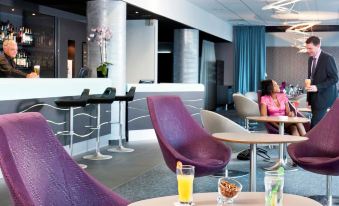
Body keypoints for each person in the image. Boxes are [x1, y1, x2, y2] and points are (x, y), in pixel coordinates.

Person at [305, 36, 338, 128]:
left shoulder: (328, 58)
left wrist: (318, 87)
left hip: (325, 98)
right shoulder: (310, 59)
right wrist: (308, 98)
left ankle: (310, 142)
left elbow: (335, 78)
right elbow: (310, 78)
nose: (308, 50)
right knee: (318, 126)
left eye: (310, 48)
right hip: (314, 98)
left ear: (318, 45)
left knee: (314, 125)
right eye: (307, 48)